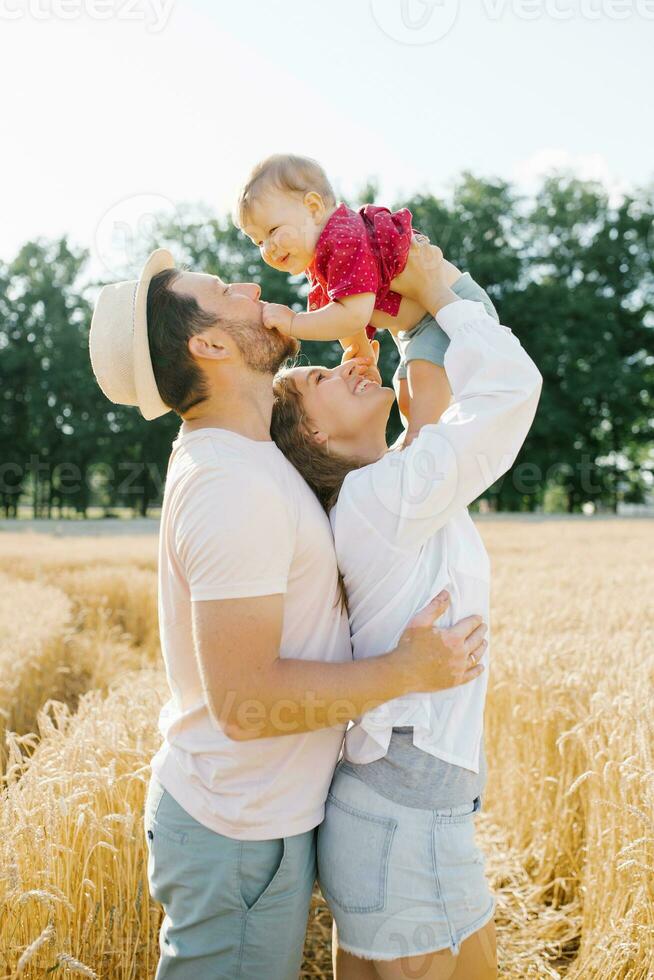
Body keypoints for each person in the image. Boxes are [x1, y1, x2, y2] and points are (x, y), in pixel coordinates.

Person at [87, 244, 489, 980]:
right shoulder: (228, 483)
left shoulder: (247, 457)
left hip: (256, 822)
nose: (250, 286)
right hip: (237, 830)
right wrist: (405, 671)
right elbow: (244, 704)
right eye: (224, 291)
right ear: (208, 344)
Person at [270, 243, 543, 979]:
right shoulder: (380, 500)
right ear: (317, 438)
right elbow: (510, 390)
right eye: (324, 374)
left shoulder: (384, 490)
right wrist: (442, 287)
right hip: (407, 826)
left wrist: (397, 313)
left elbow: (436, 403)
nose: (346, 365)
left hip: (393, 819)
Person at [235, 153, 498, 442]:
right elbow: (345, 318)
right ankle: (413, 446)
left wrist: (295, 322)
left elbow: (353, 314)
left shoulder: (342, 238)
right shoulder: (320, 259)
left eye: (272, 231)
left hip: (452, 307)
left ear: (312, 208)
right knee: (407, 395)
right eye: (258, 240)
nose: (268, 248)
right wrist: (362, 357)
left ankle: (420, 449)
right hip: (415, 330)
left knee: (423, 387)